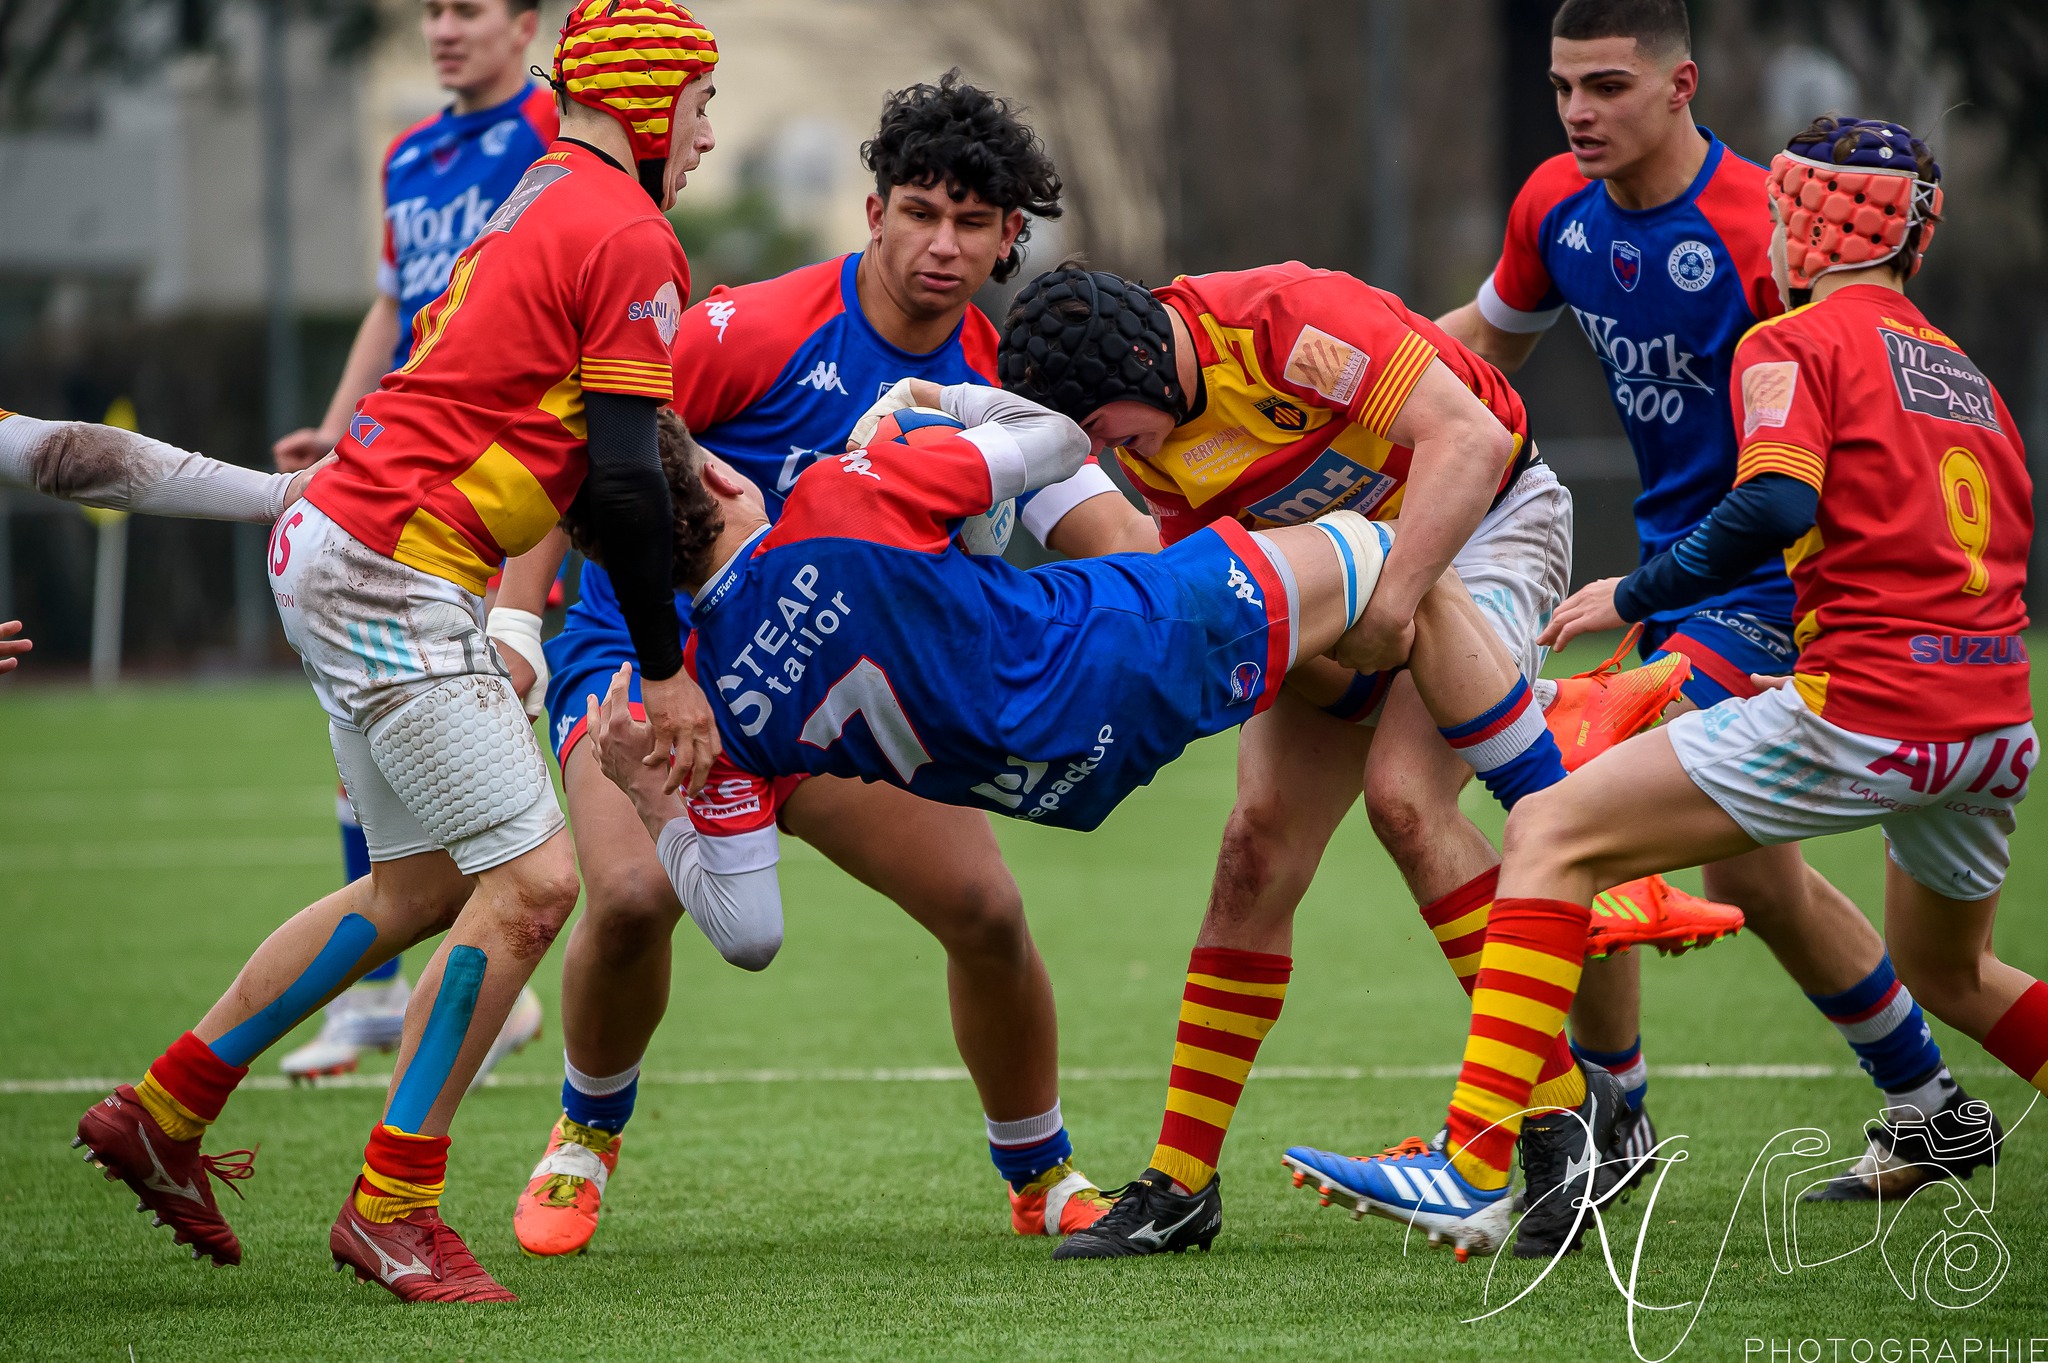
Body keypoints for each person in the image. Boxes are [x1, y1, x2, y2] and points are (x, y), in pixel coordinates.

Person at [44, 0, 723, 1303]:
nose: (705, 132)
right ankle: (396, 1206)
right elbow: (628, 486)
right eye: (697, 100)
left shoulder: (541, 190)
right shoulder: (628, 227)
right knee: (533, 883)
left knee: (414, 886)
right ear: (646, 96)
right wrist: (667, 664)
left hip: (343, 541)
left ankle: (166, 1108)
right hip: (391, 565)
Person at [1300, 116, 2044, 1259]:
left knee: (1548, 820)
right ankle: (1929, 1108)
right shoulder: (1967, 380)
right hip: (1992, 719)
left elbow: (1772, 509)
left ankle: (1494, 1150)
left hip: (1865, 704)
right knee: (1949, 968)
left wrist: (1633, 589)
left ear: (1793, 223)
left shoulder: (1788, 342)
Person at [493, 73, 1159, 1259]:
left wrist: (1155, 613)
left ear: (1012, 236)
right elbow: (585, 450)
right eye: (918, 211)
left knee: (986, 910)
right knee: (636, 896)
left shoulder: (1001, 383)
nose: (941, 244)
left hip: (831, 700)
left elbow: (1114, 545)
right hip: (656, 665)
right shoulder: (752, 327)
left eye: (971, 222)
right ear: (872, 214)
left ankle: (1040, 1169)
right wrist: (509, 618)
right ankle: (582, 1138)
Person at [993, 262, 1712, 1259]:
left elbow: (1469, 439)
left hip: (1488, 521)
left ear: (1138, 364)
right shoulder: (1152, 443)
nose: (1111, 456)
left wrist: (1394, 601)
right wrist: (1318, 671)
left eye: (1107, 430)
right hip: (1350, 578)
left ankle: (1555, 1122)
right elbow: (1251, 606)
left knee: (1404, 798)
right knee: (1254, 845)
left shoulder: (1282, 322)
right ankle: (1179, 1183)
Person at [1432, 0, 1998, 1197]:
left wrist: (1651, 586)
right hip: (1729, 603)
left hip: (1769, 594)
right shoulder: (1553, 208)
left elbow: (1808, 464)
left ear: (1681, 83)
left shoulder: (1773, 231)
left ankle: (1600, 1120)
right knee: (1751, 875)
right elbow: (1482, 342)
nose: (1578, 112)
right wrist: (1349, 382)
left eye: (1606, 86)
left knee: (1563, 798)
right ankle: (1928, 1105)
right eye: (1560, 88)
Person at [269, 0, 560, 1082]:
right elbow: (393, 303)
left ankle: (470, 990)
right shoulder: (412, 152)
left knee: (488, 728)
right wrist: (343, 428)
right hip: (403, 471)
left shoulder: (555, 132)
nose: (443, 28)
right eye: (430, 10)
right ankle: (389, 994)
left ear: (524, 23)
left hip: (493, 479)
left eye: (468, 9)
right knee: (374, 756)